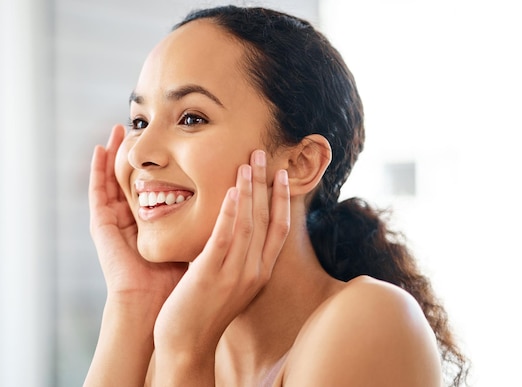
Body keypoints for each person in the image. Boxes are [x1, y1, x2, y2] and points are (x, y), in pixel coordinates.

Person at [84, 5, 468, 387]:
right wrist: (132, 303)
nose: (137, 153)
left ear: (300, 163)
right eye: (139, 121)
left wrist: (185, 353)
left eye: (191, 118)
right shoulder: (164, 349)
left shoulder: (371, 319)